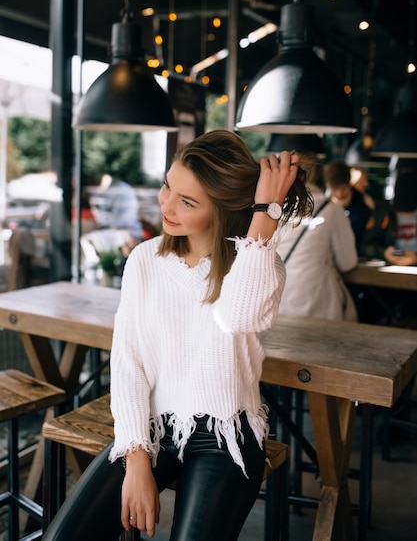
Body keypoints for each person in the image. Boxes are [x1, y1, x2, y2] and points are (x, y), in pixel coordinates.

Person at [42, 129, 313, 541]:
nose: (166, 205)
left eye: (187, 201)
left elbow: (238, 316)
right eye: (168, 186)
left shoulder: (259, 265)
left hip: (226, 435)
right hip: (153, 429)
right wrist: (136, 462)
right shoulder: (145, 259)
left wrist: (268, 211)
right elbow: (128, 362)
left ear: (222, 208)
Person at [277, 154, 358, 321]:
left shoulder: (277, 209)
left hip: (280, 299)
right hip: (317, 302)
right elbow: (347, 262)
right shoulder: (332, 210)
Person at [324, 159, 372, 252]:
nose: (339, 194)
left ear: (350, 184)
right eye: (334, 189)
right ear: (328, 187)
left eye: (343, 188)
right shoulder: (321, 206)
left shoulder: (364, 206)